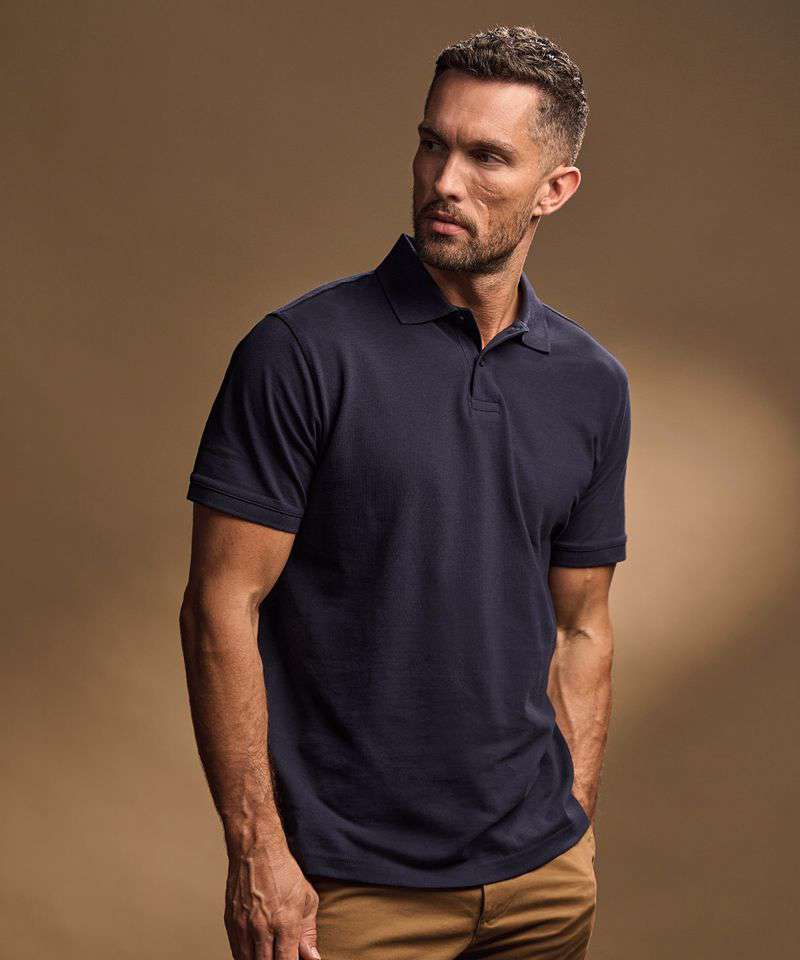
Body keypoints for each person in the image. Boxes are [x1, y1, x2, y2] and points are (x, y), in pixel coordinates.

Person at [179, 23, 631, 960]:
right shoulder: (300, 354)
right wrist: (257, 851)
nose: (444, 180)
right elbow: (221, 603)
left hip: (542, 888)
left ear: (555, 189)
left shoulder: (592, 384)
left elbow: (584, 623)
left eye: (487, 157)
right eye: (433, 143)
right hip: (350, 890)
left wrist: (573, 821)